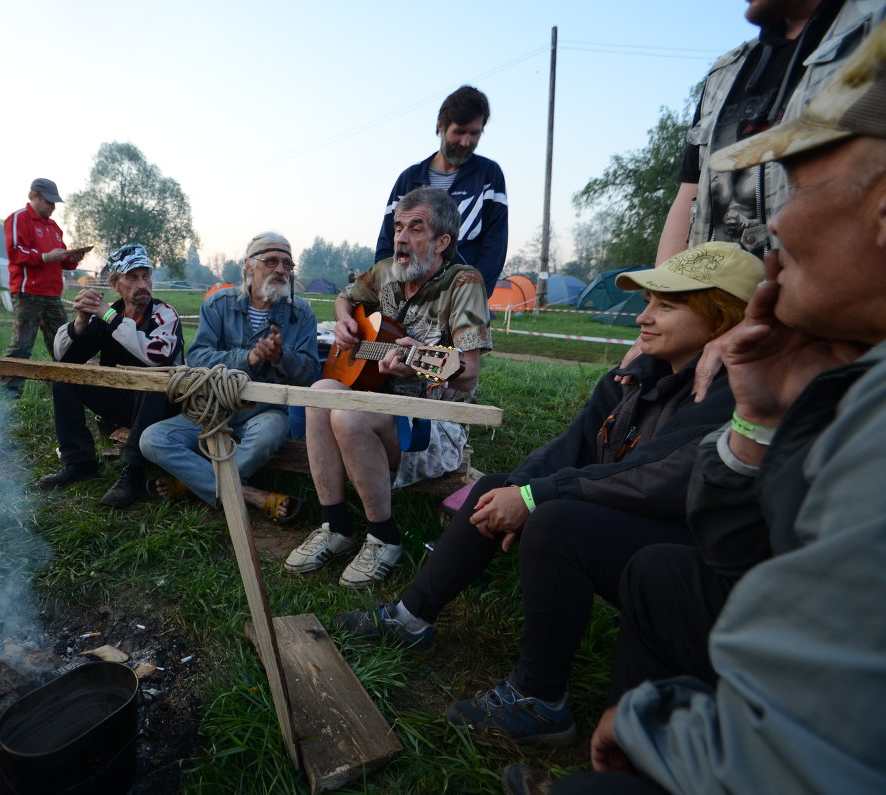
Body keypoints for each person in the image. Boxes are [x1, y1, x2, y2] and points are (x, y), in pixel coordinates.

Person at [561, 23, 886, 794]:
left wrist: (653, 725)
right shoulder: (841, 375)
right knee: (661, 575)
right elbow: (740, 567)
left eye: (802, 184)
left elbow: (811, 757)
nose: (775, 221)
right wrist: (763, 422)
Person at [339, 242, 764, 746]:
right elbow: (572, 446)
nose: (643, 319)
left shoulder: (738, 392)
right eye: (648, 303)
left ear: (721, 320)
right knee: (500, 486)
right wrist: (516, 491)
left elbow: (661, 477)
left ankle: (541, 699)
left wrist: (536, 498)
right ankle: (410, 618)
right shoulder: (636, 376)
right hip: (633, 525)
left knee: (555, 520)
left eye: (665, 306)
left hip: (691, 560)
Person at [284, 187, 491, 588]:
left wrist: (417, 363)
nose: (401, 237)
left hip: (435, 421)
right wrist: (346, 322)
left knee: (347, 414)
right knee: (319, 394)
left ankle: (384, 537)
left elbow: (468, 373)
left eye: (416, 228)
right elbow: (345, 298)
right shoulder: (385, 273)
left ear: (442, 241)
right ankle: (336, 526)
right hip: (382, 399)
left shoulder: (464, 282)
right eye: (399, 227)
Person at [656, 0, 884, 264]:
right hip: (718, 300)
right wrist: (666, 299)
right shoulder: (726, 71)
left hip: (827, 295)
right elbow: (690, 193)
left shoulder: (876, 32)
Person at [139, 232, 319, 520]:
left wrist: (281, 357)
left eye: (287, 264)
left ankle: (189, 483)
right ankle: (251, 495)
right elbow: (197, 357)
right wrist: (249, 358)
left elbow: (310, 373)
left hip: (265, 412)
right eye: (271, 261)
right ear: (248, 265)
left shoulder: (302, 314)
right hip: (213, 409)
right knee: (152, 439)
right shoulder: (218, 304)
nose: (281, 270)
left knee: (269, 433)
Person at [37, 243, 184, 507]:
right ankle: (79, 462)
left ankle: (133, 470)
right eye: (132, 277)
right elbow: (67, 359)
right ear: (115, 284)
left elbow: (156, 356)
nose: (142, 284)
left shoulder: (164, 314)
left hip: (163, 407)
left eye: (146, 276)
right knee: (64, 378)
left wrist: (109, 316)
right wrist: (81, 321)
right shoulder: (106, 317)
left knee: (153, 382)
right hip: (123, 405)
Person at [375, 85, 509, 293]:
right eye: (459, 132)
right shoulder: (409, 179)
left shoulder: (489, 176)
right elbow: (387, 241)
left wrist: (475, 294)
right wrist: (389, 292)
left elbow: (495, 245)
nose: (466, 141)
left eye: (475, 133)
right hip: (410, 297)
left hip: (462, 299)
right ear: (441, 126)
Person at [0, 178, 87, 399]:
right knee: (22, 343)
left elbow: (64, 262)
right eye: (48, 201)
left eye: (54, 202)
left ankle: (64, 388)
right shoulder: (19, 218)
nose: (52, 206)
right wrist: (46, 257)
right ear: (34, 196)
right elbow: (15, 252)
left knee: (63, 343)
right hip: (28, 293)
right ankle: (10, 390)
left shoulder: (54, 227)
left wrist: (74, 258)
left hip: (52, 295)